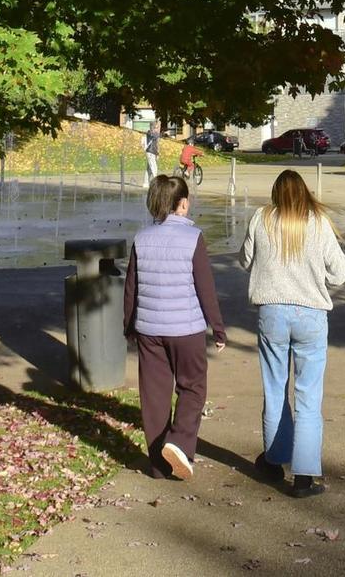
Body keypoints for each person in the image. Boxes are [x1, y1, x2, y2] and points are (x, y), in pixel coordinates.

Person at [241, 168, 345, 498]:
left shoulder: (261, 218)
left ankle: (274, 460)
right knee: (308, 395)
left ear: (275, 194)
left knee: (274, 389)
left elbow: (246, 259)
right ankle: (304, 475)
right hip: (311, 314)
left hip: (272, 313)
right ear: (305, 193)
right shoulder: (317, 222)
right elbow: (340, 273)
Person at [123, 175, 226, 481]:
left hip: (149, 329)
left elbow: (131, 288)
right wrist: (217, 328)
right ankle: (179, 442)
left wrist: (128, 325)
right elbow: (205, 288)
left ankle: (157, 465)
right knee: (193, 387)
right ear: (183, 203)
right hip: (187, 329)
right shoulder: (193, 237)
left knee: (154, 394)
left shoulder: (141, 238)